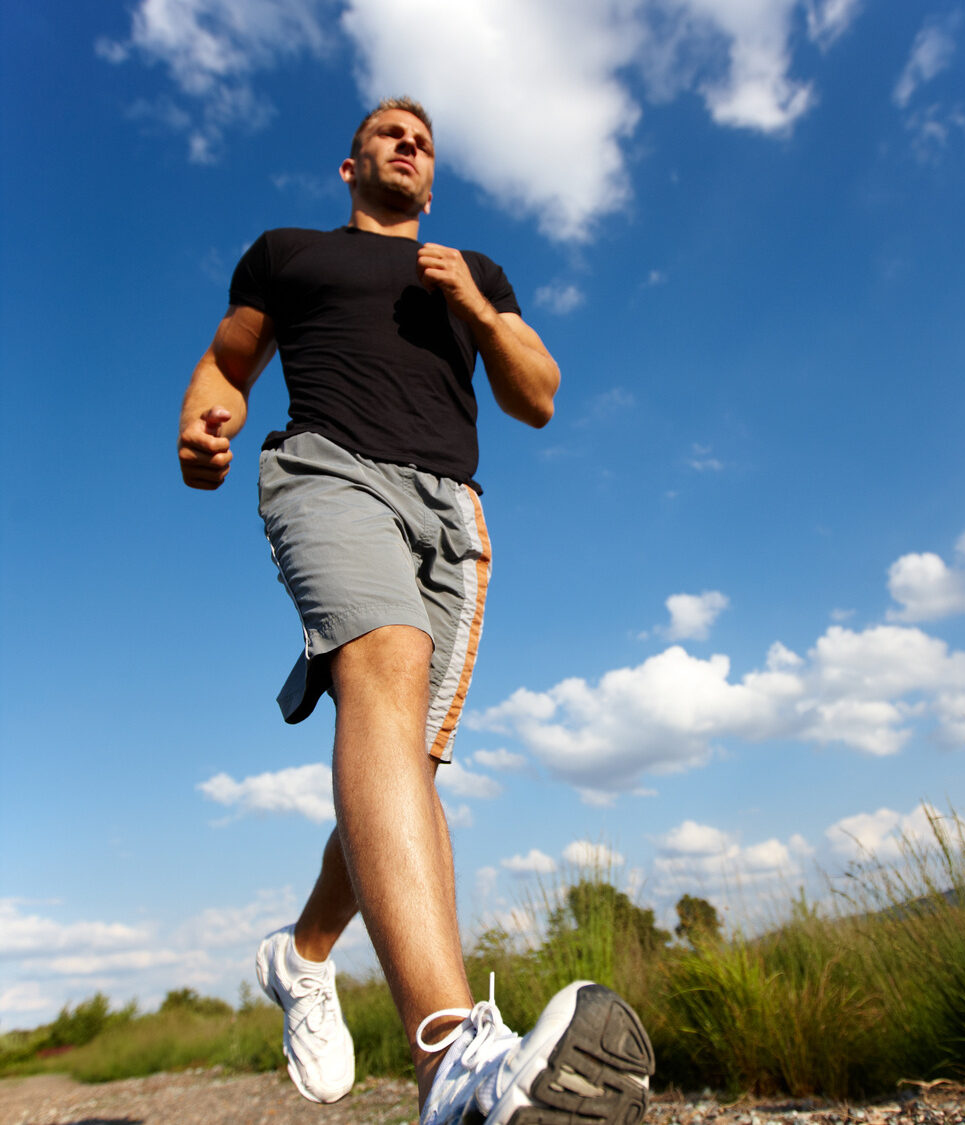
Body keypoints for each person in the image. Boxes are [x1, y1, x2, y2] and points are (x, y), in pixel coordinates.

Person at [176, 97, 654, 1125]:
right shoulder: (291, 252)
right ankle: (452, 1057)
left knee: (409, 770)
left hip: (455, 513)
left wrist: (479, 309)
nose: (409, 144)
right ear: (349, 165)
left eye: (425, 140)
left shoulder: (476, 272)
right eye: (390, 133)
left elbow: (539, 394)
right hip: (329, 471)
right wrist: (202, 425)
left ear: (432, 178)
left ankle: (303, 953)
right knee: (381, 665)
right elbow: (230, 358)